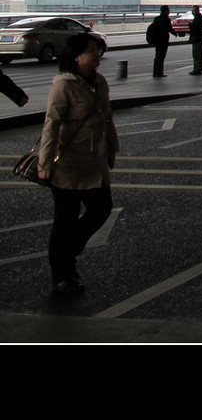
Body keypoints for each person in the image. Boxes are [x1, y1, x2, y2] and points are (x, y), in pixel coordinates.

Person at [38, 34, 118, 295]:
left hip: (94, 163)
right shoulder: (64, 86)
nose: (97, 55)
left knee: (102, 208)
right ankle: (62, 274)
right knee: (65, 219)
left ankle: (66, 253)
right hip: (68, 165)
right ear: (76, 57)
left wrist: (111, 149)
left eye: (97, 50)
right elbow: (52, 125)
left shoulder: (100, 82)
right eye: (91, 51)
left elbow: (107, 119)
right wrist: (45, 162)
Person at [147, 4, 172, 78]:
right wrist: (174, 33)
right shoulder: (167, 19)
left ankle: (155, 72)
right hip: (163, 40)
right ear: (166, 11)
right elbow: (169, 28)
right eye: (168, 10)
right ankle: (160, 73)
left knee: (157, 56)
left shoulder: (156, 18)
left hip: (157, 40)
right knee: (161, 57)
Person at [187, 5, 202, 75]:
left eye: (194, 10)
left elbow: (195, 28)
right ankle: (198, 68)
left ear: (197, 10)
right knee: (197, 54)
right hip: (198, 38)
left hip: (197, 38)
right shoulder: (199, 18)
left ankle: (197, 69)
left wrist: (191, 25)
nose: (193, 12)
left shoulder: (198, 18)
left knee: (196, 54)